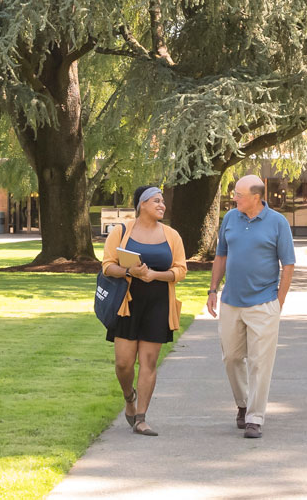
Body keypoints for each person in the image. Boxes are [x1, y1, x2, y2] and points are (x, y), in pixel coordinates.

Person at [206, 174, 295, 439]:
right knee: (232, 358)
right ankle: (243, 404)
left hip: (263, 303)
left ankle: (255, 417)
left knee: (260, 362)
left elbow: (287, 265)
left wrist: (278, 302)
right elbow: (221, 255)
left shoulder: (278, 223)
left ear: (256, 197)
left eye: (239, 194)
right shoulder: (230, 219)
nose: (234, 198)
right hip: (231, 302)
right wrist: (213, 290)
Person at [101, 184, 187, 437]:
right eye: (156, 201)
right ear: (142, 205)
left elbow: (181, 269)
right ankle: (129, 398)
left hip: (158, 305)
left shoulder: (172, 235)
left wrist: (155, 275)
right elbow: (107, 266)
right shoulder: (122, 231)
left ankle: (141, 417)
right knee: (123, 363)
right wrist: (130, 271)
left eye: (163, 201)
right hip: (127, 306)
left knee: (148, 362)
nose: (162, 205)